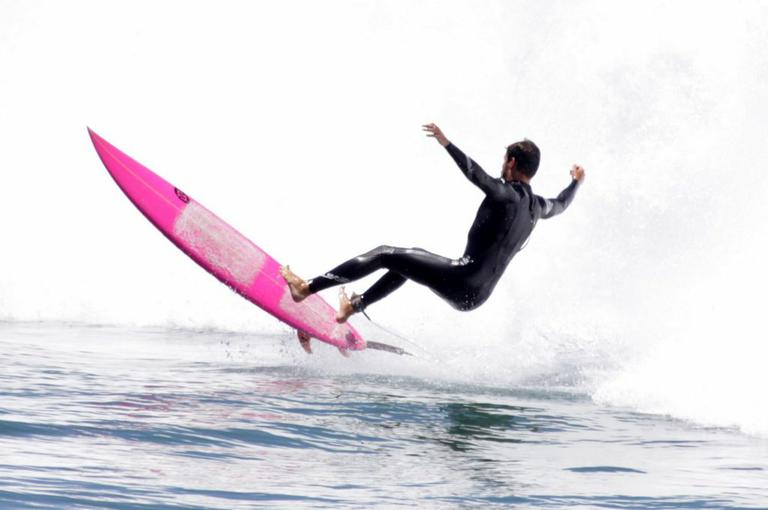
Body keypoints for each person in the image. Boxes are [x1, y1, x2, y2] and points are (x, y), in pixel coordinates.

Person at [281, 123, 585, 324]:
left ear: (512, 163)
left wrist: (446, 143)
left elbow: (477, 176)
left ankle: (307, 288)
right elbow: (561, 204)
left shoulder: (506, 194)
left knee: (386, 253)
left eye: (504, 160)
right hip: (477, 296)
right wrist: (575, 183)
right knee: (408, 262)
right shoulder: (537, 207)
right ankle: (353, 306)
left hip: (462, 278)